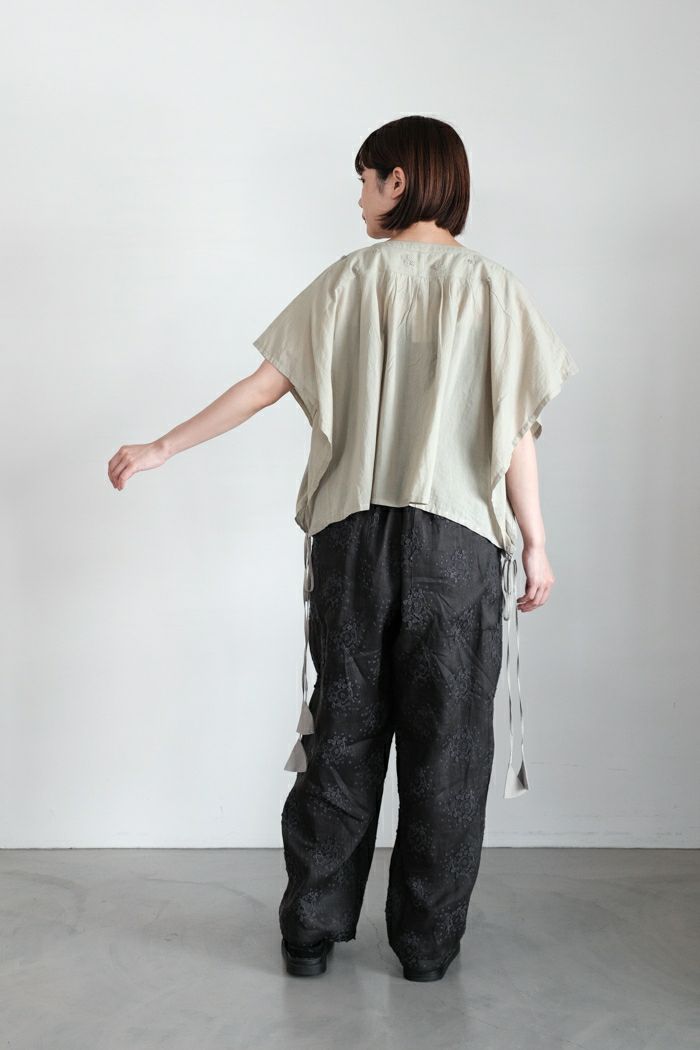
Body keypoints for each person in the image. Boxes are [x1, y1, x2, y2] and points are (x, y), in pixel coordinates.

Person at [107, 115, 580, 982]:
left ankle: (310, 934)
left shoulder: (348, 282)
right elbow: (515, 431)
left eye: (365, 179)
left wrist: (164, 446)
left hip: (353, 539)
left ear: (399, 181)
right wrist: (538, 544)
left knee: (343, 733)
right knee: (449, 749)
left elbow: (263, 387)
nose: (359, 197)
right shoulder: (496, 290)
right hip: (458, 545)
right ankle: (426, 949)